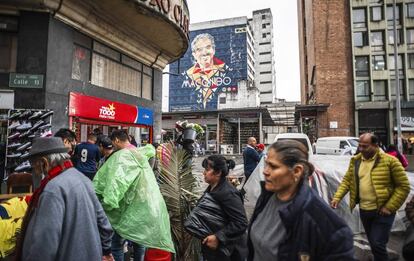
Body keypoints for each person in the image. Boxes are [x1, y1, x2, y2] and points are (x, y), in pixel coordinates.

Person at [248, 140, 354, 260]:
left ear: (297, 171)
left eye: (273, 166)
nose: (265, 171)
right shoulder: (266, 198)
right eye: (266, 164)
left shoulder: (322, 221)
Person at [15, 137, 113, 261]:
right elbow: (104, 225)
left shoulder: (53, 189)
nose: (35, 171)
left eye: (35, 166)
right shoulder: (83, 179)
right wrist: (106, 250)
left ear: (44, 163)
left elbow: (45, 244)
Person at [93, 130, 174, 261]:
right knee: (140, 239)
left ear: (117, 140)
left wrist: (107, 203)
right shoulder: (139, 153)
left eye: (113, 143)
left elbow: (116, 184)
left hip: (124, 209)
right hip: (144, 205)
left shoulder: (122, 156)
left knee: (117, 244)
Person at [331, 133, 410, 261]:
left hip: (383, 211)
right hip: (365, 210)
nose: (361, 149)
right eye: (360, 146)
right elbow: (347, 180)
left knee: (377, 243)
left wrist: (389, 207)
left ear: (375, 145)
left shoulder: (390, 161)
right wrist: (337, 198)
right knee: (374, 243)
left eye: (365, 146)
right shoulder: (355, 160)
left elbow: (403, 186)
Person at [197, 155, 248, 261]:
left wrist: (218, 237)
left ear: (218, 172)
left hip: (228, 252)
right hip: (213, 251)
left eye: (207, 170)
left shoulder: (228, 193)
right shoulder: (212, 188)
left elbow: (241, 222)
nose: (204, 173)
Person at [184, 33, 229, 109]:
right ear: (194, 55)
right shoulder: (187, 75)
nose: (204, 52)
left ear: (213, 50)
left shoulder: (227, 71)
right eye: (199, 49)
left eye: (208, 47)